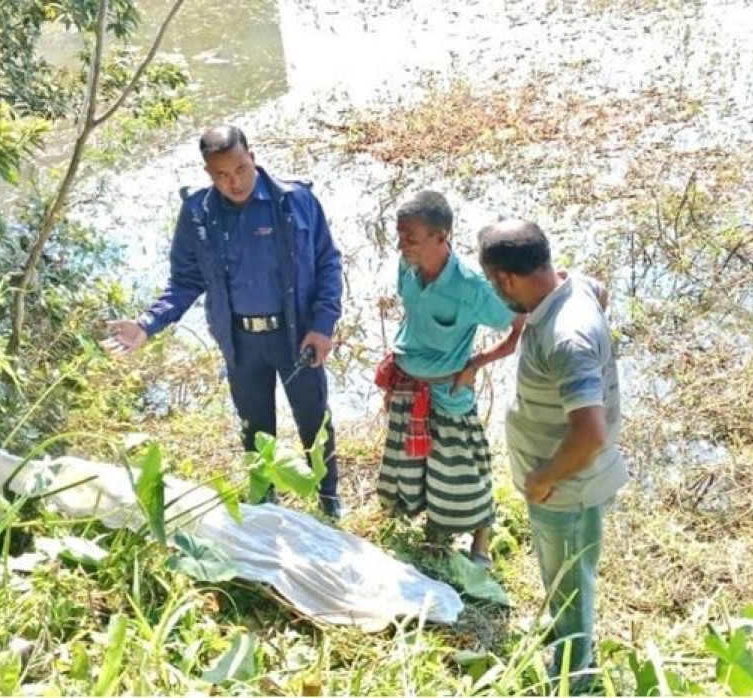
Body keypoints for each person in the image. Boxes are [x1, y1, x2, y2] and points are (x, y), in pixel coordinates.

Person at [103, 125, 346, 518]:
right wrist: (147, 324)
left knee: (314, 422)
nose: (234, 182)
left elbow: (328, 265)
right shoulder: (198, 213)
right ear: (208, 173)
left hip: (296, 336)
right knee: (255, 429)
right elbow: (185, 282)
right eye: (222, 175)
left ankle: (329, 499)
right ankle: (265, 504)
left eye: (240, 170)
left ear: (252, 155)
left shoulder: (296, 201)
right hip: (241, 342)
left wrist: (322, 325)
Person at [478, 219, 627, 690]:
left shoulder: (566, 339)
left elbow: (590, 434)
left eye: (491, 281)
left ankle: (574, 679)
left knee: (569, 590)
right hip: (560, 485)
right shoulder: (574, 287)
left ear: (504, 278)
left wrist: (543, 477)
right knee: (563, 580)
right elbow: (599, 293)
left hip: (567, 489)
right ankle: (567, 649)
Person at [375, 191, 525, 566]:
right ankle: (433, 530)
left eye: (410, 237)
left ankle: (481, 542)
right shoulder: (405, 267)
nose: (401, 244)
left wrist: (476, 363)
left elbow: (520, 323)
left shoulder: (472, 287)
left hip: (448, 389)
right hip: (408, 382)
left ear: (441, 238)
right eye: (399, 235)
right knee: (412, 465)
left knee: (463, 467)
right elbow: (413, 314)